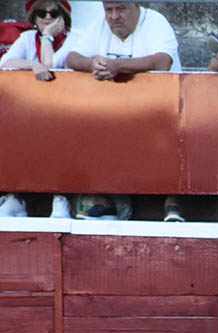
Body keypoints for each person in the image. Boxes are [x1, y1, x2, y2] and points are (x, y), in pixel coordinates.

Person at [62, 1, 183, 223]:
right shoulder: (98, 25)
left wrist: (118, 66)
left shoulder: (155, 22)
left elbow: (163, 61)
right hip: (111, 112)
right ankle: (99, 198)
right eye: (109, 10)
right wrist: (91, 64)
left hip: (158, 109)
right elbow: (70, 58)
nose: (114, 16)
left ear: (136, 5)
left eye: (121, 9)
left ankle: (174, 202)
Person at [0, 0, 74, 219]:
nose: (47, 18)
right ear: (34, 17)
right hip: (32, 112)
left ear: (63, 18)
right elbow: (5, 63)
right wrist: (32, 65)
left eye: (54, 13)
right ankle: (16, 197)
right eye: (42, 13)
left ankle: (60, 198)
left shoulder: (75, 38)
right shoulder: (26, 39)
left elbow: (50, 65)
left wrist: (48, 37)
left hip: (66, 111)